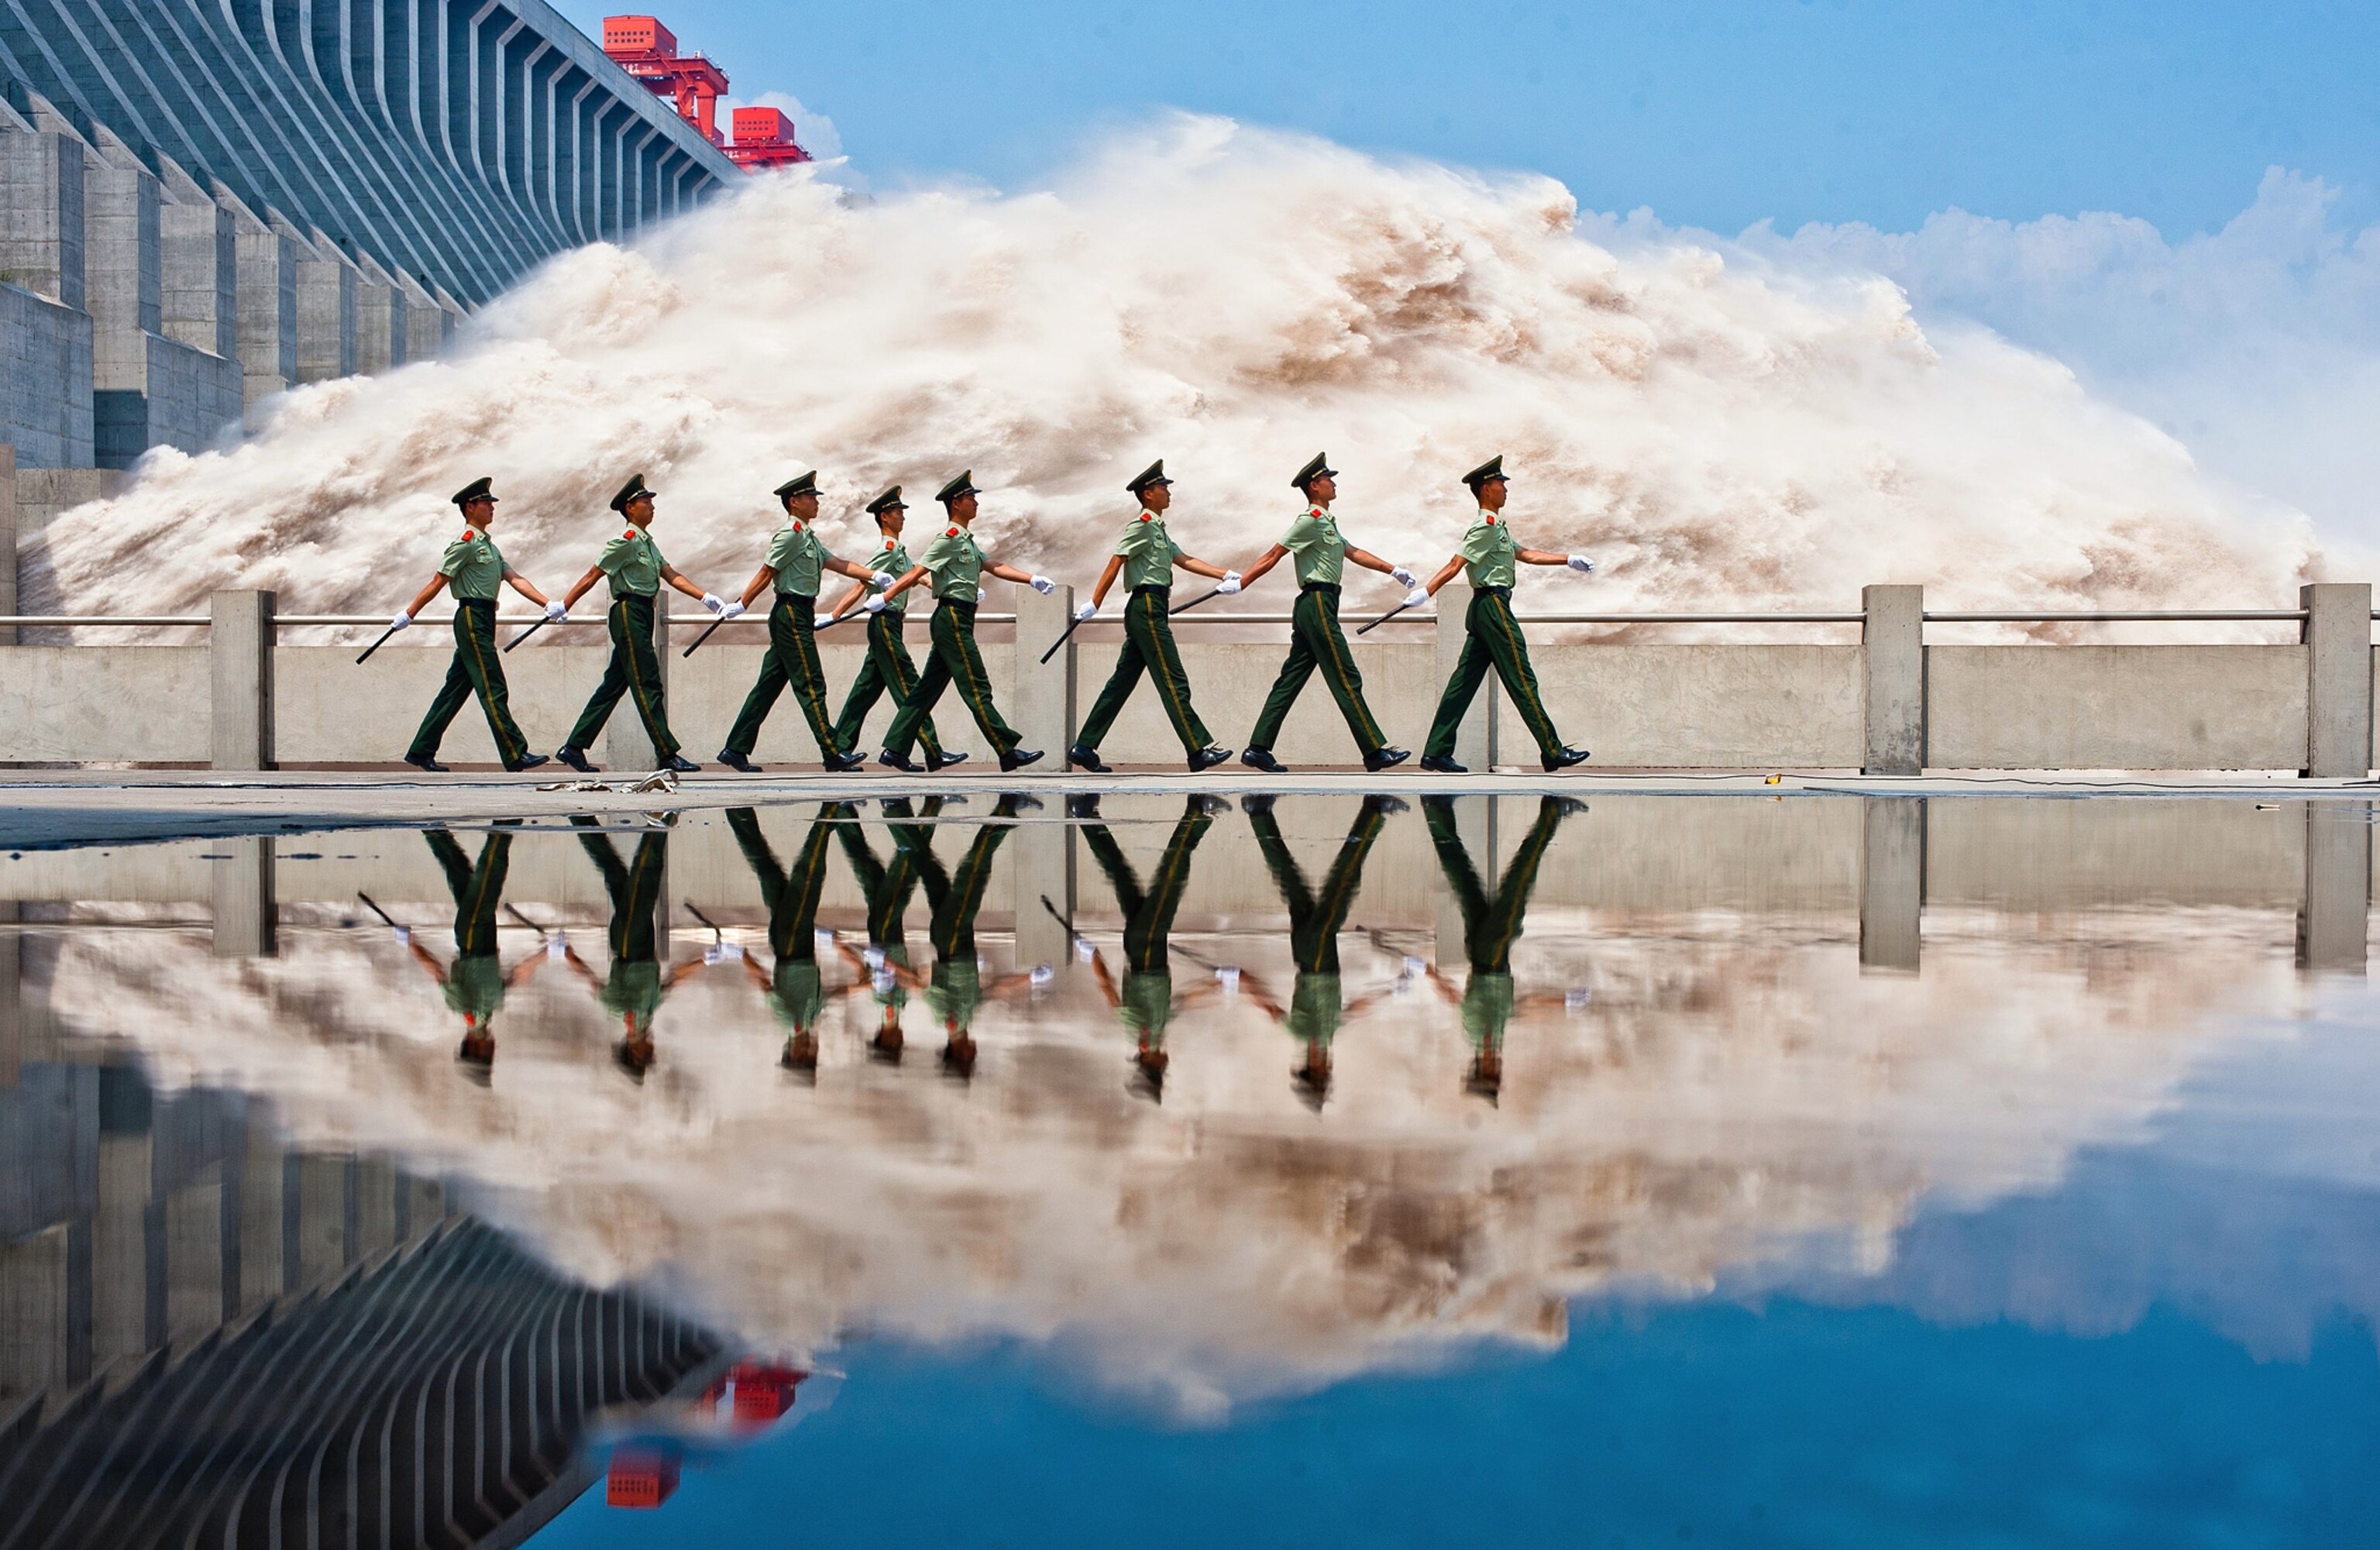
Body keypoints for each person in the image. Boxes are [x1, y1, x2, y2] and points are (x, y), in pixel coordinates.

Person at [1231, 455, 1417, 773]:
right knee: (1346, 675)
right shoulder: (1310, 519)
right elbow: (1275, 553)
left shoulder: (1326, 522)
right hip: (1317, 603)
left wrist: (1393, 570)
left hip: (1319, 604)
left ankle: (1258, 748)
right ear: (1315, 486)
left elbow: (1352, 551)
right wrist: (1243, 582)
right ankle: (1373, 750)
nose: (1334, 483)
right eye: (1329, 479)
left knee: (1291, 679)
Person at [1415, 455, 1595, 773]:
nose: (1506, 489)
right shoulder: (1484, 527)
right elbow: (1455, 565)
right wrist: (1425, 592)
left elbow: (1526, 554)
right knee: (1521, 677)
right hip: (1493, 607)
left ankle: (1436, 751)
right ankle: (1552, 750)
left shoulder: (1496, 527)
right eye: (1501, 484)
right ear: (1487, 489)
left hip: (1486, 608)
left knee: (1463, 683)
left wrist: (1568, 559)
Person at [717, 473, 898, 773]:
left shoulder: (807, 536)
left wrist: (873, 575)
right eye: (811, 497)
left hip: (798, 612)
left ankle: (735, 748)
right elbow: (767, 571)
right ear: (794, 501)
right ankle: (832, 753)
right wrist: (742, 603)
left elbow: (837, 563)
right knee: (811, 684)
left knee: (768, 686)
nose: (816, 502)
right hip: (790, 612)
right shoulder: (790, 534)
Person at [875, 473, 1056, 773]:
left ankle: (895, 749)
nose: (976, 502)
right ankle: (1006, 749)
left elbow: (994, 566)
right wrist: (885, 598)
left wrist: (1032, 579)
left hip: (958, 618)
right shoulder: (946, 539)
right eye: (971, 498)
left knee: (925, 691)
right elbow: (917, 572)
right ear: (956, 503)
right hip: (952, 619)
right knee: (976, 685)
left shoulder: (965, 541)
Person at [1064, 460, 1237, 774]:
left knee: (1121, 683)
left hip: (1152, 608)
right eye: (1163, 487)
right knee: (1173, 679)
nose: (1168, 492)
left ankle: (1084, 747)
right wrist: (1096, 602)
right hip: (1146, 608)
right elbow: (1116, 561)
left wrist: (1225, 574)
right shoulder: (1142, 526)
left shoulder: (1157, 529)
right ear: (1148, 494)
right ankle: (1197, 749)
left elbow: (1184, 560)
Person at [1239, 791, 1405, 1108]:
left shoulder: (1303, 1035)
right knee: (1292, 882)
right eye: (1325, 1075)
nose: (1326, 1069)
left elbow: (1270, 1008)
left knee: (1341, 889)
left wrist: (1243, 983)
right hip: (1314, 953)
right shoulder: (1327, 1034)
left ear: (1312, 1069)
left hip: (1315, 958)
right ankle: (1258, 814)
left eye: (1320, 1074)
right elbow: (1357, 1008)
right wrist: (1390, 991)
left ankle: (1373, 814)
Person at [554, 474, 724, 775]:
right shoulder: (625, 542)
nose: (652, 507)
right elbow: (592, 575)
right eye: (646, 502)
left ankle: (574, 747)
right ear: (630, 508)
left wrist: (706, 597)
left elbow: (671, 575)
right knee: (648, 682)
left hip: (643, 613)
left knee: (613, 686)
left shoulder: (647, 543)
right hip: (628, 612)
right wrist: (564, 605)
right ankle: (667, 752)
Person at [1420, 794, 1585, 1101]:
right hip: (1482, 951)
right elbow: (1524, 1007)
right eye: (1498, 1074)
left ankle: (1551, 814)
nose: (1498, 1069)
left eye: (1493, 1073)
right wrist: (1562, 1002)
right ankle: (1435, 812)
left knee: (1517, 886)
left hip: (1492, 954)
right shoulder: (1488, 1037)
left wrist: (1430, 975)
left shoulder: (1483, 1036)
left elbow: (1458, 998)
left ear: (1483, 1068)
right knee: (1463, 879)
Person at [397, 477, 561, 773]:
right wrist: (409, 614)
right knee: (492, 684)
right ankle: (515, 753)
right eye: (486, 503)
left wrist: (547, 604)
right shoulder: (466, 544)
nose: (491, 508)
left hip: (485, 618)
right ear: (470, 507)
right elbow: (438, 581)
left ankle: (422, 750)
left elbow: (515, 579)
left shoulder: (489, 546)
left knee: (456, 689)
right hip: (471, 617)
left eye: (491, 503)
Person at [1074, 792, 1230, 1099]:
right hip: (1145, 947)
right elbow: (1183, 1001)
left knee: (1170, 881)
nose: (1166, 1062)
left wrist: (1093, 955)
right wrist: (1216, 985)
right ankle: (1085, 815)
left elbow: (1107, 988)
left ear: (1150, 1060)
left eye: (1160, 1067)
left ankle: (1196, 816)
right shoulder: (1155, 1031)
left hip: (1146, 948)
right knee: (1120, 874)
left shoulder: (1144, 1033)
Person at [905, 792, 1043, 1079]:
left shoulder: (948, 1018)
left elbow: (918, 985)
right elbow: (996, 990)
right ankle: (899, 818)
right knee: (932, 874)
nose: (975, 1053)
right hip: (958, 939)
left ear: (959, 1053)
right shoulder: (964, 1018)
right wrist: (1030, 978)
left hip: (951, 940)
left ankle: (1004, 811)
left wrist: (886, 966)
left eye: (969, 1058)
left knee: (973, 875)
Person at [824, 486, 961, 772]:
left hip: (890, 624)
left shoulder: (898, 551)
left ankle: (838, 751)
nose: (903, 517)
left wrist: (946, 588)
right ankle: (931, 751)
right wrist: (835, 614)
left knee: (864, 692)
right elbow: (862, 582)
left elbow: (916, 578)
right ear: (885, 517)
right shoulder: (887, 550)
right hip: (885, 622)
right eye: (899, 512)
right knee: (910, 685)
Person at [395, 827, 549, 1076]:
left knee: (490, 879)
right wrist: (546, 953)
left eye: (487, 1052)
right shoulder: (490, 1008)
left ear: (476, 1047)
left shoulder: (463, 1006)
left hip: (472, 937)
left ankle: (503, 828)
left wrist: (412, 944)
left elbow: (436, 972)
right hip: (487, 936)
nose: (493, 1048)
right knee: (459, 873)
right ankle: (433, 830)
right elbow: (518, 975)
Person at [561, 821, 708, 1077]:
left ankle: (660, 820)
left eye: (645, 1054)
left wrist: (568, 954)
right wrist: (706, 960)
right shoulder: (648, 1013)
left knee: (646, 880)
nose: (652, 1049)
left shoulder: (620, 1009)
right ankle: (581, 820)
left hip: (629, 945)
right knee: (615, 874)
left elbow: (590, 980)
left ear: (633, 1050)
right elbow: (673, 980)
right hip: (644, 944)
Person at [727, 802, 855, 1076]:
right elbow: (830, 995)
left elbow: (765, 985)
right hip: (799, 945)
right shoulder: (807, 1020)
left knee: (808, 880)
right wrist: (861, 986)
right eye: (813, 1057)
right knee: (768, 871)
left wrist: (743, 956)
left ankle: (829, 812)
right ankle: (738, 813)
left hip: (792, 946)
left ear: (794, 1052)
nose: (813, 1051)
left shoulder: (790, 1022)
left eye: (807, 1057)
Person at [832, 796, 948, 1064]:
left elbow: (902, 978)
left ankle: (917, 811)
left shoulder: (889, 1009)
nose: (901, 1041)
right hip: (886, 936)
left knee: (904, 876)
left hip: (886, 937)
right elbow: (863, 972)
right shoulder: (889, 1007)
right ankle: (843, 813)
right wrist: (841, 948)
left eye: (895, 1045)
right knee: (868, 871)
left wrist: (911, 979)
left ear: (886, 1039)